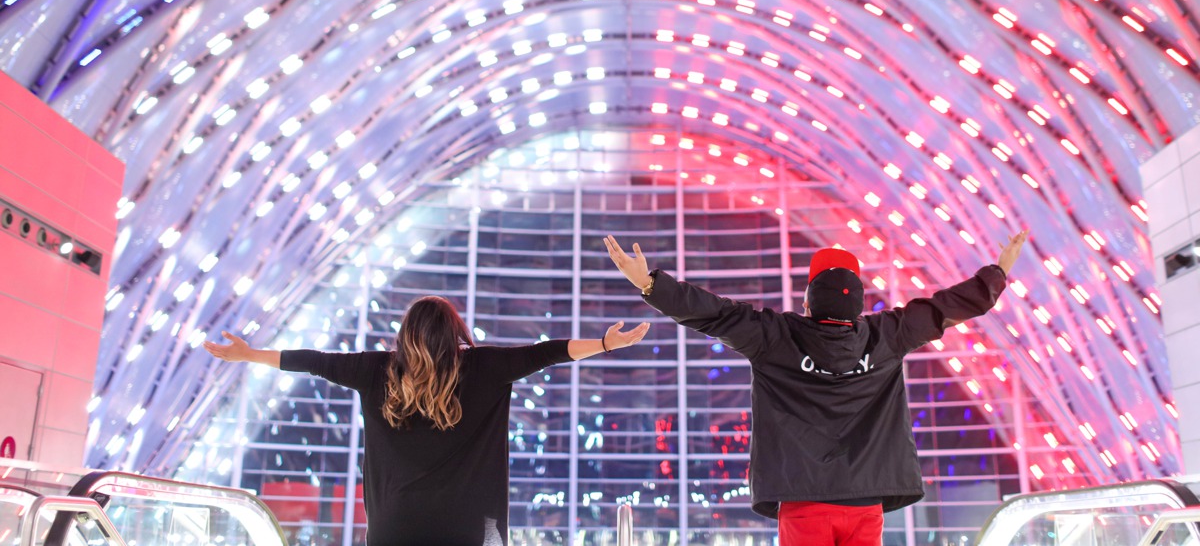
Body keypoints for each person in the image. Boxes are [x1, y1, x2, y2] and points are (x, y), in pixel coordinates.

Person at [604, 230, 1028, 546]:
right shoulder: (888, 335)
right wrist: (996, 274)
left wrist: (650, 284)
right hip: (865, 500)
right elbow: (944, 309)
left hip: (802, 500)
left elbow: (712, 314)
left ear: (806, 304)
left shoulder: (774, 336)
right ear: (861, 306)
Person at [204, 296, 649, 546]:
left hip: (394, 531)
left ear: (407, 334)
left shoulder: (376, 370)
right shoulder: (485, 367)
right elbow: (548, 351)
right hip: (474, 534)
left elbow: (313, 362)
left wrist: (249, 354)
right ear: (454, 331)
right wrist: (605, 344)